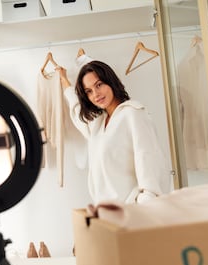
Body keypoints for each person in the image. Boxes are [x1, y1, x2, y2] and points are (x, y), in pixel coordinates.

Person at [57, 60, 170, 204]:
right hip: (106, 213)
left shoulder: (133, 114)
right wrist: (65, 82)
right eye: (89, 91)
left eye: (99, 85)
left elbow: (148, 161)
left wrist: (144, 206)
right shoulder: (97, 124)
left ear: (110, 81)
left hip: (132, 213)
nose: (96, 94)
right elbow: (76, 109)